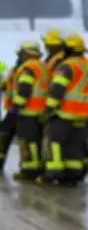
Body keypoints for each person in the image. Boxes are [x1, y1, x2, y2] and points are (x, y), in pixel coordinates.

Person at [37, 33, 88, 186]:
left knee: (54, 142)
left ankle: (52, 175)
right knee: (75, 145)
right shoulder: (85, 64)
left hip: (65, 113)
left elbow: (57, 90)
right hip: (83, 114)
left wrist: (48, 110)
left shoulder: (67, 66)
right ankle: (73, 175)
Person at [6, 42, 47, 181]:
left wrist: (16, 107)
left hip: (29, 111)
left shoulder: (28, 68)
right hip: (41, 111)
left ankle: (29, 171)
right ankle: (37, 169)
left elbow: (24, 89)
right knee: (36, 142)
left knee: (27, 142)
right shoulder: (43, 66)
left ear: (27, 53)